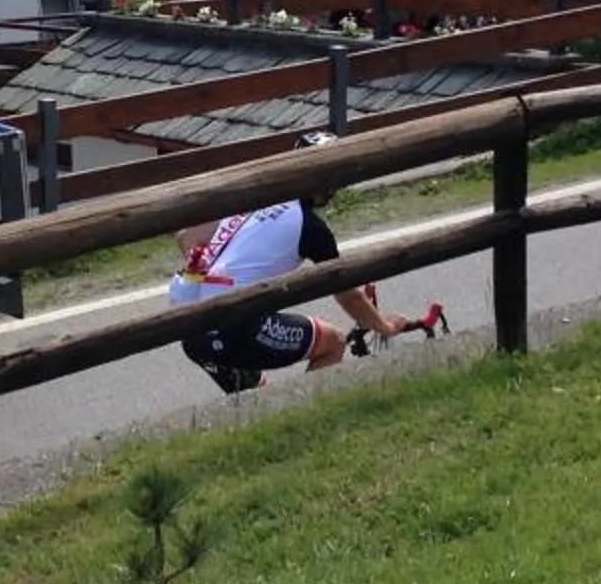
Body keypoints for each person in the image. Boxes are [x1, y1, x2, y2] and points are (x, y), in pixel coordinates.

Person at [171, 135, 445, 394]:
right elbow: (346, 294)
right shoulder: (310, 227)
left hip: (191, 327)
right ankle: (302, 417)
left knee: (260, 398)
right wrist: (383, 326)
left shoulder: (258, 198)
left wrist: (215, 274)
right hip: (238, 325)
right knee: (333, 343)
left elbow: (187, 235)